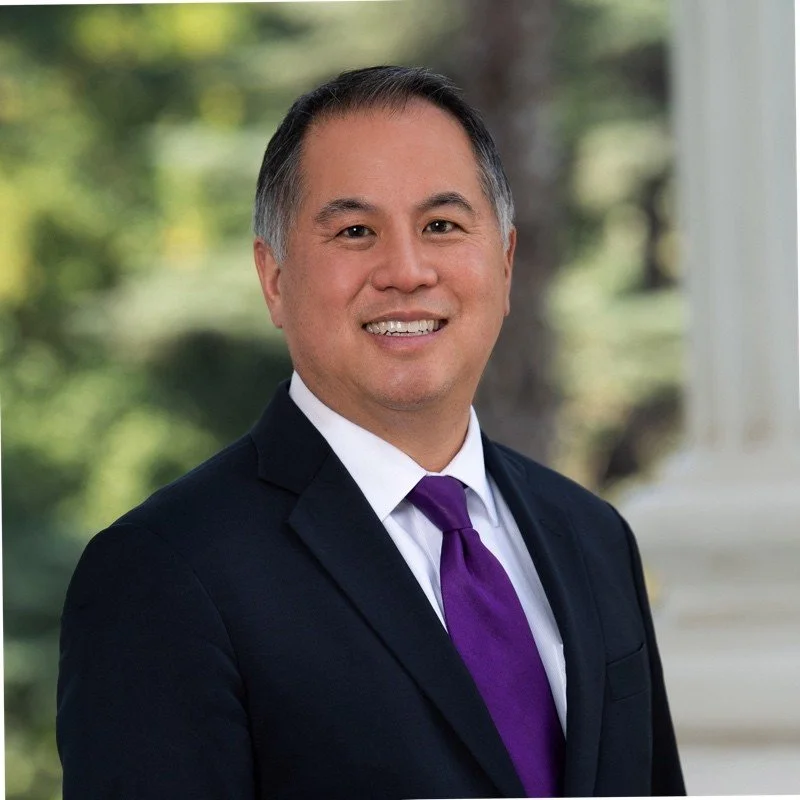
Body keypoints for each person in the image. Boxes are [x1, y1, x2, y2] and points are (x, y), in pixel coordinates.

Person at [57, 65, 685, 799]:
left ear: (506, 263)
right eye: (355, 231)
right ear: (274, 278)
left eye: (442, 226)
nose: (407, 270)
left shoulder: (593, 537)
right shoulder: (162, 575)